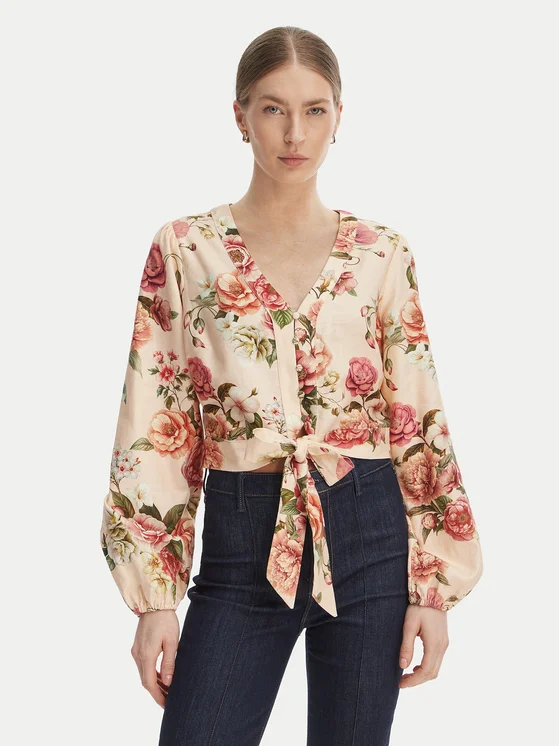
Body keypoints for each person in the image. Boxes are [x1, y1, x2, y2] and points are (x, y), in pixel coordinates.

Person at [100, 25, 483, 746]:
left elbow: (417, 416)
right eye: (273, 108)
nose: (295, 133)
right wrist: (155, 599)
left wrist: (433, 589)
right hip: (242, 543)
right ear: (240, 115)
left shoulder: (381, 253)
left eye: (314, 109)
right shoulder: (186, 248)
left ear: (340, 117)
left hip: (371, 537)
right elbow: (154, 418)